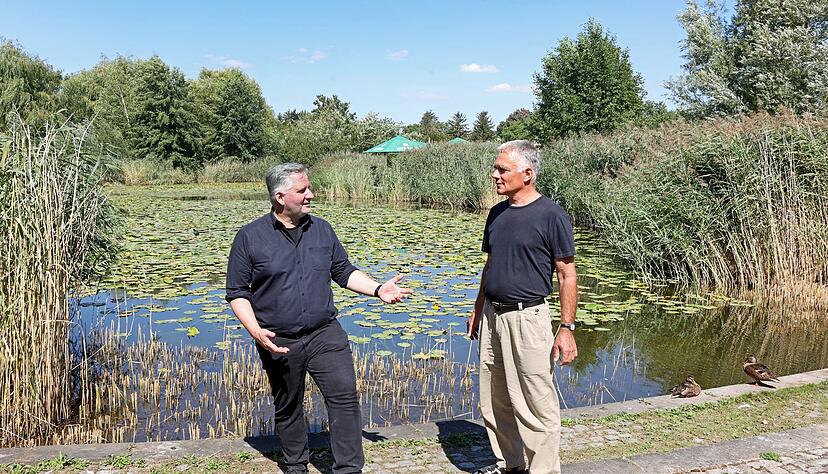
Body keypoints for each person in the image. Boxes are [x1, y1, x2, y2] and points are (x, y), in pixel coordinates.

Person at [226, 163, 412, 474]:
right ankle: (297, 465)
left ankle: (349, 469)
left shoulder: (322, 229)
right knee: (289, 405)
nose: (311, 195)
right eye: (303, 190)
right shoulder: (249, 238)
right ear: (280, 197)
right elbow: (237, 292)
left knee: (344, 399)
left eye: (309, 188)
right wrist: (256, 332)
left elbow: (343, 272)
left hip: (325, 333)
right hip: (277, 338)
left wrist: (378, 288)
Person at [467, 140, 578, 474]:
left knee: (535, 401)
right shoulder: (497, 213)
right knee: (495, 397)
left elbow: (566, 273)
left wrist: (567, 328)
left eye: (503, 169)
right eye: (496, 168)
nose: (495, 175)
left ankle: (543, 470)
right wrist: (478, 307)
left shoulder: (551, 215)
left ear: (527, 174)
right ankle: (510, 464)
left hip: (528, 317)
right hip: (492, 316)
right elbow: (491, 265)